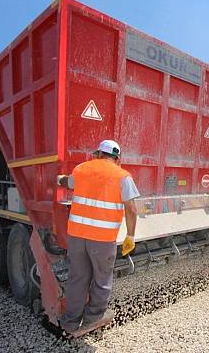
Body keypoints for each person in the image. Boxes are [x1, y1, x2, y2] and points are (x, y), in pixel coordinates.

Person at [57, 140, 139, 333]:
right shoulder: (123, 176)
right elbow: (132, 209)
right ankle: (91, 320)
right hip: (102, 240)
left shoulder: (81, 169)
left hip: (77, 237)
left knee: (78, 278)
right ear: (117, 159)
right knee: (102, 280)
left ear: (97, 154)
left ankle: (70, 322)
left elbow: (66, 182)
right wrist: (131, 236)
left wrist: (58, 178)